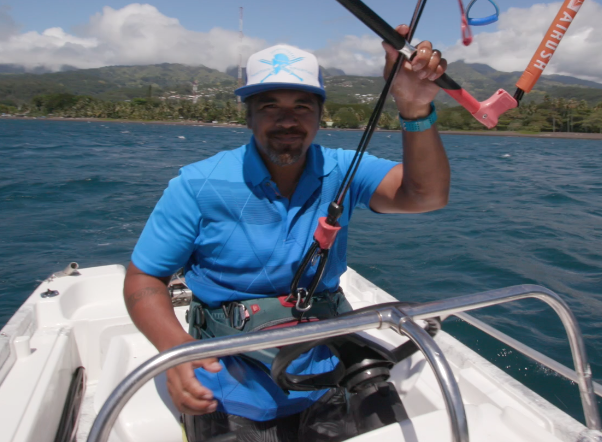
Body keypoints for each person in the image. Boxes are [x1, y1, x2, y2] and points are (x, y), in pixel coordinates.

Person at [124, 25, 450, 442]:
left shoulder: (344, 169)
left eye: (301, 105)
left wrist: (414, 104)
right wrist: (175, 351)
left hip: (332, 369)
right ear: (249, 115)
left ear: (319, 115)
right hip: (228, 381)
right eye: (269, 105)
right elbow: (144, 278)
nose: (287, 119)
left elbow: (426, 195)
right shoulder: (196, 185)